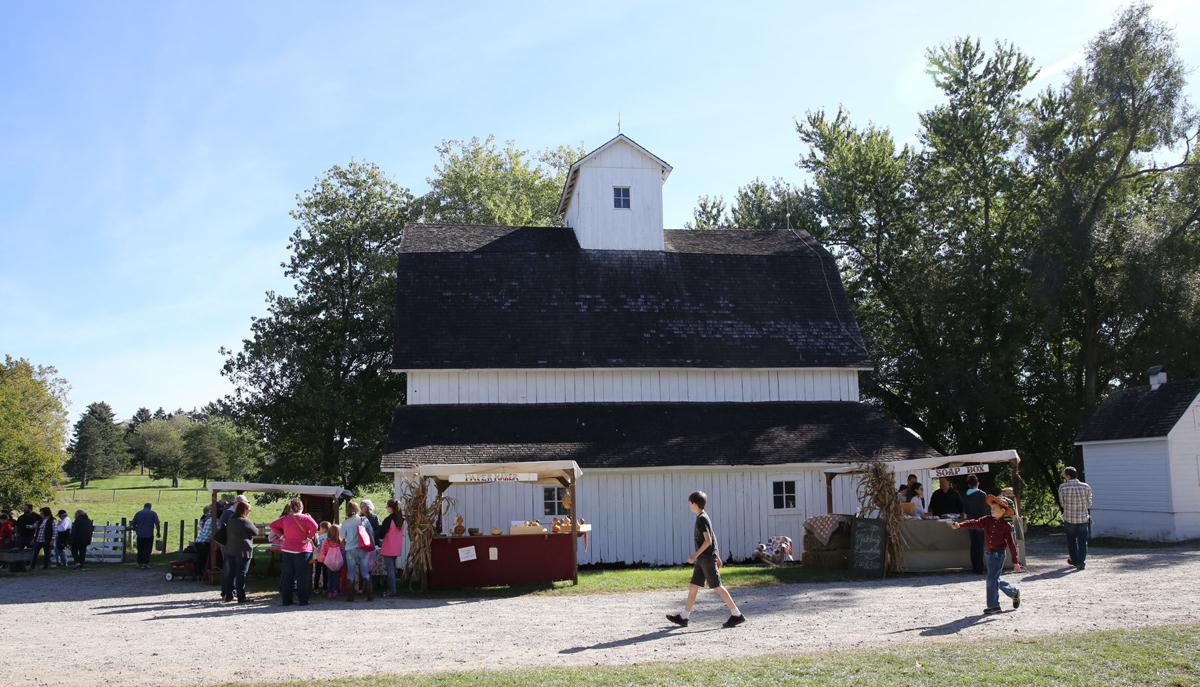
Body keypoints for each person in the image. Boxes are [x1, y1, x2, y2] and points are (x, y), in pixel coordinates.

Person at [666, 491, 746, 629]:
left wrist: (695, 555)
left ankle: (736, 614)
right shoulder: (703, 517)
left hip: (706, 559)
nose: (689, 505)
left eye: (690, 503)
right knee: (693, 586)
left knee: (717, 586)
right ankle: (684, 617)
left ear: (694, 504)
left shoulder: (702, 519)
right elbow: (713, 536)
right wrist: (718, 555)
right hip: (702, 559)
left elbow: (708, 540)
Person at [953, 495, 1022, 615]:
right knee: (994, 578)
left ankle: (994, 606)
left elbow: (1012, 544)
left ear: (1002, 511)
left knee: (991, 579)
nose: (992, 510)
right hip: (989, 553)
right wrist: (960, 525)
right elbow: (975, 523)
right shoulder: (987, 520)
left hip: (998, 555)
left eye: (994, 508)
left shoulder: (1007, 526)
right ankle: (1013, 592)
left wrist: (1015, 561)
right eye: (991, 508)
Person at [269, 498, 319, 606]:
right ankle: (303, 600)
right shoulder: (306, 518)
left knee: (287, 576)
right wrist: (309, 537)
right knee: (302, 576)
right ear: (302, 507)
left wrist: (281, 535)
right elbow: (315, 526)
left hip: (287, 549)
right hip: (303, 550)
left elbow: (272, 525)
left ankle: (286, 600)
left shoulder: (285, 518)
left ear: (291, 508)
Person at [220, 501, 258, 603]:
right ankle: (241, 597)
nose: (249, 512)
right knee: (241, 574)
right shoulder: (244, 521)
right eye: (249, 510)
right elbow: (256, 532)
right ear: (244, 510)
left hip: (230, 550)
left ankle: (229, 595)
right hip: (243, 551)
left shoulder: (231, 519)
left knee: (231, 573)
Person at [1059, 466, 1093, 571]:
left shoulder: (1063, 487)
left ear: (1068, 476)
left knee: (1071, 541)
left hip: (1069, 518)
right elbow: (1089, 503)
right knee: (1082, 542)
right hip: (1083, 518)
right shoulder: (1086, 486)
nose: (1064, 476)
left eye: (1064, 475)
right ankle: (1081, 563)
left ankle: (1074, 560)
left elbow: (1062, 503)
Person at [340, 501, 373, 601]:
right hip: (363, 548)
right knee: (365, 573)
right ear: (357, 509)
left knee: (351, 573)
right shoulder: (364, 520)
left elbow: (342, 537)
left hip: (350, 549)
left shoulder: (345, 522)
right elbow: (371, 532)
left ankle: (350, 597)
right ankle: (369, 595)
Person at [962, 474, 989, 574]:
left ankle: (975, 567)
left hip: (970, 522)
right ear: (978, 483)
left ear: (968, 484)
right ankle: (979, 568)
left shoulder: (966, 494)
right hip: (980, 522)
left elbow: (964, 510)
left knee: (973, 545)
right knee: (979, 546)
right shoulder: (982, 494)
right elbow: (985, 510)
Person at [378, 499, 405, 596]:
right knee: (392, 569)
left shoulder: (388, 520)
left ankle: (392, 591)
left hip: (388, 547)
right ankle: (393, 589)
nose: (386, 508)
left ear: (391, 508)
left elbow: (381, 534)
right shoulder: (401, 519)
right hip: (396, 547)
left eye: (387, 506)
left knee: (390, 570)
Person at [315, 524, 343, 598]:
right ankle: (336, 591)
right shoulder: (340, 541)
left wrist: (322, 559)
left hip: (329, 562)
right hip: (337, 562)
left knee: (329, 577)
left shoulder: (326, 541)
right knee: (336, 576)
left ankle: (330, 591)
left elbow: (323, 551)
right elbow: (342, 550)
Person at [131, 503, 160, 569]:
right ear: (150, 507)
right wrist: (158, 532)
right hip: (149, 535)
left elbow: (133, 523)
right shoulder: (153, 513)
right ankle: (145, 563)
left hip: (140, 535)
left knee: (140, 549)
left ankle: (139, 563)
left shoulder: (138, 513)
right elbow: (157, 523)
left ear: (144, 506)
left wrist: (136, 530)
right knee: (148, 549)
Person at [194, 506, 213, 582]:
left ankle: (199, 574)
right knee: (202, 559)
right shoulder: (209, 519)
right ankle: (200, 574)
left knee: (200, 559)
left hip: (199, 540)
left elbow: (202, 530)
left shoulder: (205, 518)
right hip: (203, 542)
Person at [312, 521, 330, 592]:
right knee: (325, 573)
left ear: (324, 529)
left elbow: (318, 547)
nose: (319, 530)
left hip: (319, 557)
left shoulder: (320, 537)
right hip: (326, 557)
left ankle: (316, 588)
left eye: (320, 528)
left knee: (317, 572)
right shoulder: (329, 537)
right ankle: (325, 588)